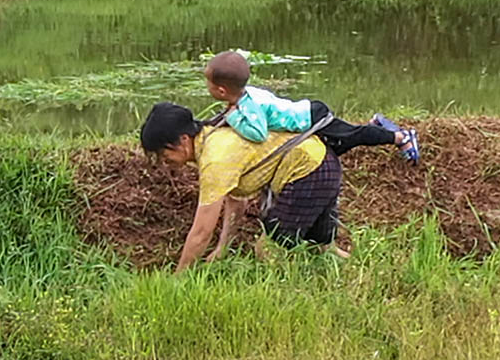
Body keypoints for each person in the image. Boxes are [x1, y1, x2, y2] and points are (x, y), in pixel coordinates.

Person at [140, 101, 347, 273]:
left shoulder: (215, 159)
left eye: (162, 154)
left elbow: (202, 231)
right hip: (321, 163)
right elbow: (235, 199)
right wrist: (222, 248)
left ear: (183, 140)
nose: (162, 162)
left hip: (309, 172)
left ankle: (292, 294)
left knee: (268, 249)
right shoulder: (213, 135)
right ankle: (346, 271)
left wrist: (179, 276)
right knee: (321, 248)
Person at [205, 50, 419, 164]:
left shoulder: (248, 106)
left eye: (209, 84)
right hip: (309, 111)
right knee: (343, 141)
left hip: (312, 119)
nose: (207, 87)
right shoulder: (246, 96)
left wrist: (234, 118)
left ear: (221, 91)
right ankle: (376, 124)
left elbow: (258, 133)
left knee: (352, 137)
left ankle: (401, 137)